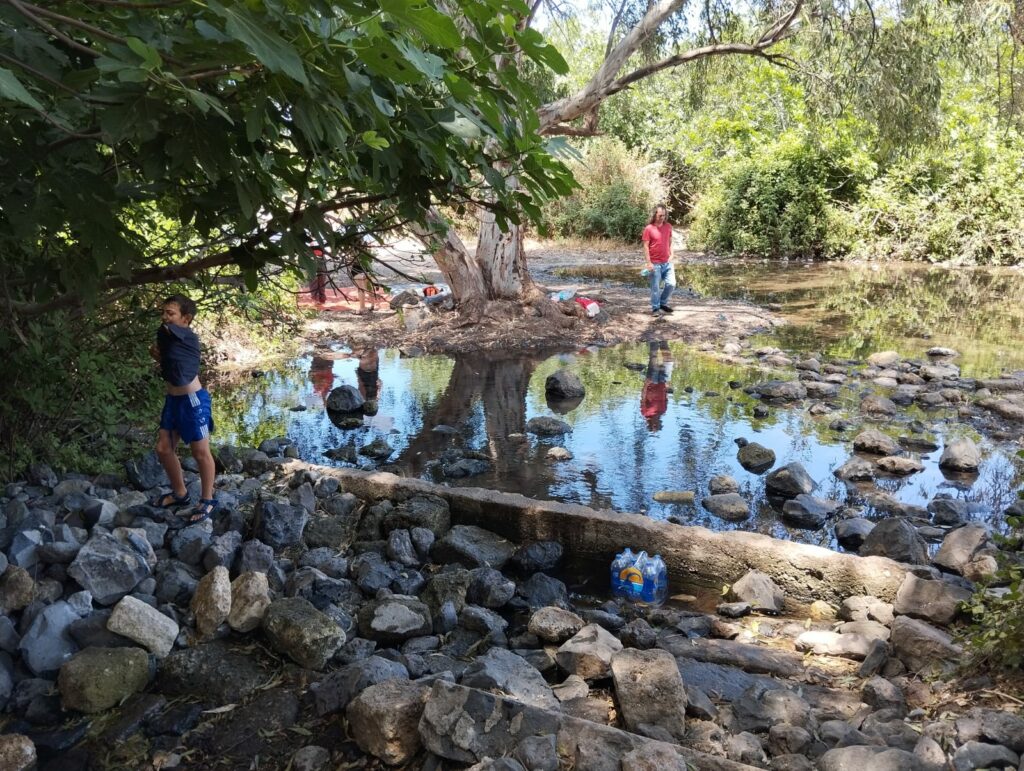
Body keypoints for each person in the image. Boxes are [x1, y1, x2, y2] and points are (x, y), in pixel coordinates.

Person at [148, 294, 219, 523]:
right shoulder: (169, 336)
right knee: (163, 448)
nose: (165, 317)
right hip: (173, 400)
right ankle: (180, 493)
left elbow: (168, 334)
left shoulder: (188, 336)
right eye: (164, 312)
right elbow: (172, 361)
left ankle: (207, 500)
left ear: (186, 318)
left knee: (200, 452)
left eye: (170, 313)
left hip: (193, 400)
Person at [642, 204, 675, 315]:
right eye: (660, 215)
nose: (662, 218)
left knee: (671, 284)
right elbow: (646, 246)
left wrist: (672, 254)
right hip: (654, 263)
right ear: (655, 214)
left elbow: (670, 242)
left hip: (667, 262)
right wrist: (648, 263)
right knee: (655, 288)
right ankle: (655, 308)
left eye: (664, 215)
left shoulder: (668, 226)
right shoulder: (649, 229)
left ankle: (662, 303)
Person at [640, 341, 673, 431]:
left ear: (650, 424)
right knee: (669, 361)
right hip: (663, 382)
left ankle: (653, 340)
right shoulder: (663, 411)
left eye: (655, 425)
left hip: (652, 383)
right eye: (658, 425)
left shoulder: (645, 413)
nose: (657, 423)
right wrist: (667, 387)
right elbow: (666, 399)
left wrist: (646, 384)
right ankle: (663, 342)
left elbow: (643, 399)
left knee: (653, 360)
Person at [356, 347, 381, 414]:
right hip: (366, 374)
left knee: (371, 361)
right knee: (367, 362)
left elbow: (379, 384)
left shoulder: (375, 397)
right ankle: (370, 349)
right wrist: (358, 376)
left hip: (371, 374)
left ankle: (371, 349)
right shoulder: (363, 396)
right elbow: (360, 385)